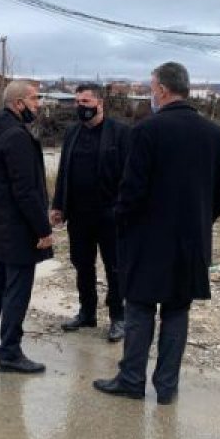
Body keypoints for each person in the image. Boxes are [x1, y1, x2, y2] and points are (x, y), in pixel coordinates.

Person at [93, 62, 220, 404]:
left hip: (147, 238)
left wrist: (121, 222)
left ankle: (131, 380)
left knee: (139, 309)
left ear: (164, 90)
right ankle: (167, 388)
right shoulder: (216, 134)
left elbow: (132, 190)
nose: (150, 93)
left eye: (152, 87)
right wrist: (200, 220)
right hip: (191, 240)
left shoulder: (146, 131)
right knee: (176, 311)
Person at [0, 80, 54, 374]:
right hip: (17, 230)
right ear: (18, 103)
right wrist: (43, 229)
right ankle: (10, 352)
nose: (39, 104)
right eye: (35, 99)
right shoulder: (17, 137)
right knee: (16, 291)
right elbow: (26, 190)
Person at [50, 83, 131, 342]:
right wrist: (58, 205)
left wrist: (124, 208)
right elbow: (64, 170)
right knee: (82, 265)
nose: (80, 107)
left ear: (100, 104)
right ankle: (87, 312)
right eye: (77, 102)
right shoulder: (73, 132)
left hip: (110, 215)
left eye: (85, 102)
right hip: (79, 215)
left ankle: (119, 317)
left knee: (115, 267)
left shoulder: (120, 133)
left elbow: (130, 175)